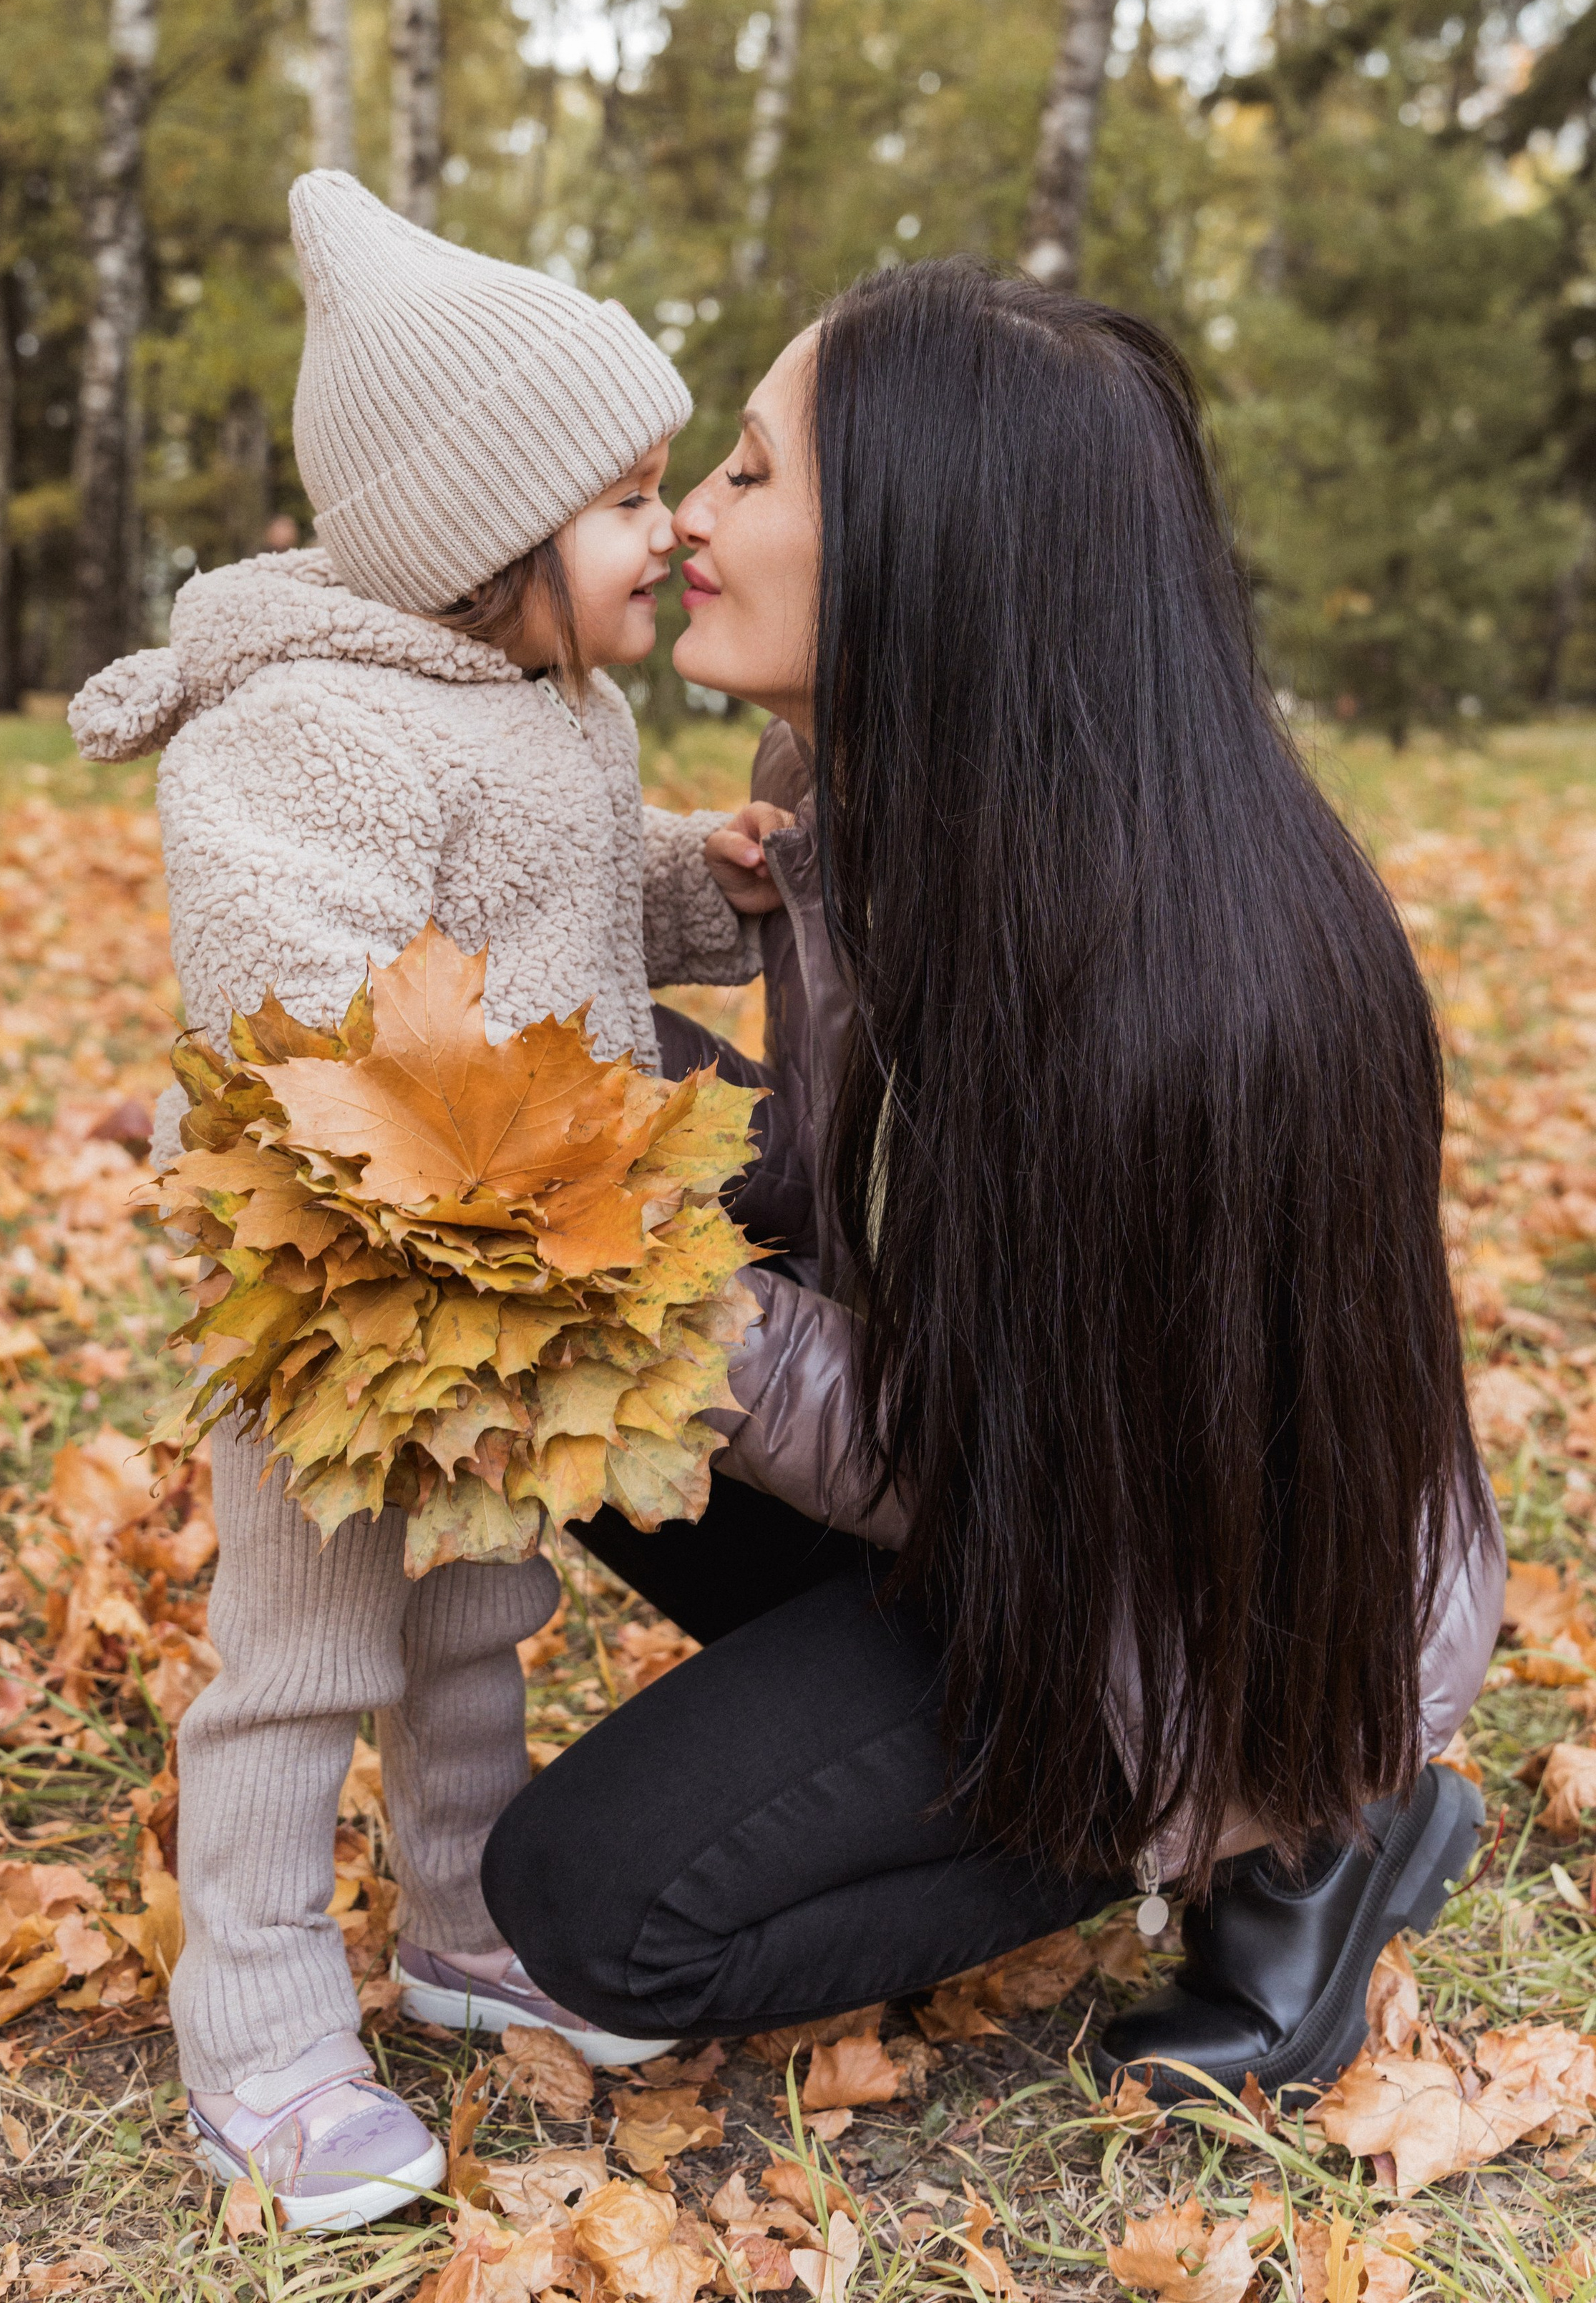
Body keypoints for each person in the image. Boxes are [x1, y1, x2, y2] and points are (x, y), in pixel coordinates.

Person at [485, 257, 1505, 2103]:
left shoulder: (1175, 1003)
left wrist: (657, 1301)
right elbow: (850, 1188)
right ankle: (903, 1730)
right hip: (1044, 1501)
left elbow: (1009, 1460)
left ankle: (1298, 1831)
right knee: (549, 1251)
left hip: (1208, 1626)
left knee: (595, 1912)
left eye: (751, 473)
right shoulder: (874, 788)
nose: (692, 518)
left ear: (926, 547)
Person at [69, 172, 775, 2231]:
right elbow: (300, 999)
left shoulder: (559, 704)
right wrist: (467, 1192)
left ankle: (465, 1918)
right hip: (357, 1293)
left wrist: (682, 889)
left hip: (522, 1281)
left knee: (483, 1605)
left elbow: (556, 904)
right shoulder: (300, 732)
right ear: (484, 535)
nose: (670, 530)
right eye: (626, 495)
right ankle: (261, 2015)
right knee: (303, 1646)